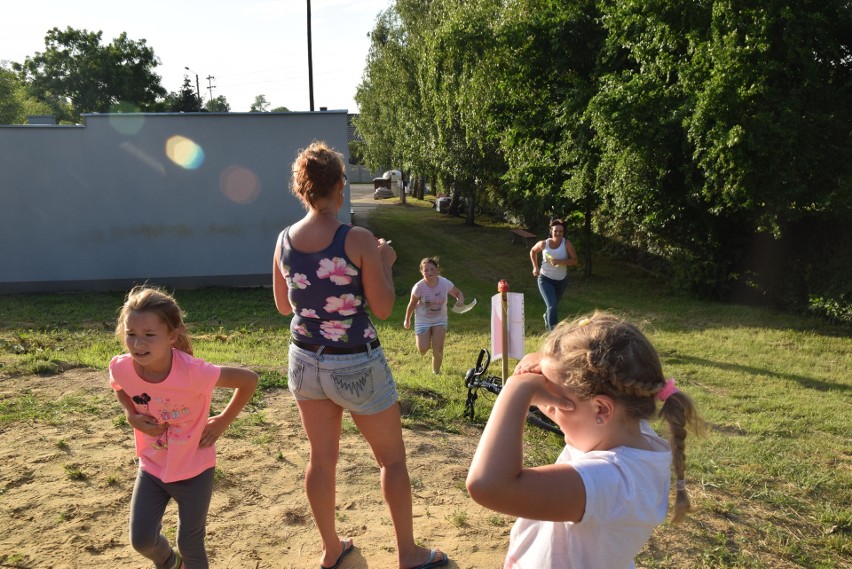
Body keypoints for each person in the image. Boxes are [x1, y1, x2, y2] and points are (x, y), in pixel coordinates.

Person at [272, 141, 449, 569]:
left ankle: (332, 549)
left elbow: (283, 306)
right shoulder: (358, 239)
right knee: (391, 460)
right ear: (339, 188)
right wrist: (384, 261)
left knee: (321, 461)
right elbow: (385, 308)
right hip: (355, 361)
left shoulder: (283, 239)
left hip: (304, 360)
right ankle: (407, 554)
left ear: (302, 189)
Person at [466, 311, 703, 569]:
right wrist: (546, 366)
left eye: (553, 401)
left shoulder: (609, 481)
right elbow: (575, 400)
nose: (547, 407)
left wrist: (516, 389)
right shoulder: (632, 433)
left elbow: (489, 486)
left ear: (601, 409)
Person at [110, 285, 259, 569]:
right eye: (131, 335)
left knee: (190, 543)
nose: (138, 344)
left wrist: (223, 421)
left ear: (171, 336)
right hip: (152, 467)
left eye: (149, 335)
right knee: (141, 540)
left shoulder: (193, 372)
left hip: (194, 468)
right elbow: (119, 386)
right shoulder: (122, 367)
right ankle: (169, 562)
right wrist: (130, 413)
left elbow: (248, 380)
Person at [403, 257, 465, 375]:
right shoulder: (418, 287)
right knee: (423, 349)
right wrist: (407, 320)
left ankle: (436, 371)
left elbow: (458, 293)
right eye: (426, 270)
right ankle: (428, 340)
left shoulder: (444, 283)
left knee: (439, 348)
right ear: (421, 272)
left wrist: (460, 300)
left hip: (439, 320)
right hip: (422, 320)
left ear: (437, 270)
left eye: (432, 269)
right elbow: (411, 304)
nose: (429, 272)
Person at [529, 219, 578, 331]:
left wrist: (560, 262)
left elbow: (575, 260)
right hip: (545, 279)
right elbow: (532, 251)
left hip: (561, 281)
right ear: (551, 231)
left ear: (563, 232)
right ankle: (554, 334)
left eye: (561, 231)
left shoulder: (566, 244)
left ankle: (547, 316)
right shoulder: (543, 244)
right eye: (556, 231)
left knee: (552, 307)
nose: (558, 233)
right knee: (552, 306)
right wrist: (535, 267)